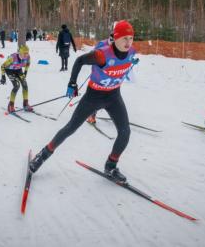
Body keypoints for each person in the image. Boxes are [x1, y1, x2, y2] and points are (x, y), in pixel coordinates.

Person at [29, 20, 138, 182]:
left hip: (114, 96)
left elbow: (123, 62)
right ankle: (42, 155)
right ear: (115, 38)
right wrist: (72, 83)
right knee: (70, 128)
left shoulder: (132, 51)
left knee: (125, 132)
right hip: (94, 96)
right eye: (124, 38)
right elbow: (79, 61)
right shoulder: (102, 55)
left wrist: (130, 64)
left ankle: (111, 166)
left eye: (131, 38)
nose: (128, 42)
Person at [0, 45, 33, 113]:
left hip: (18, 70)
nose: (26, 55)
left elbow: (28, 64)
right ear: (20, 53)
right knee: (17, 85)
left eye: (27, 53)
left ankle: (25, 104)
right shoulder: (12, 58)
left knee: (25, 85)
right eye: (25, 53)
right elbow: (3, 66)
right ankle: (11, 105)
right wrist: (3, 76)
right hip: (10, 70)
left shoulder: (27, 57)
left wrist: (25, 72)